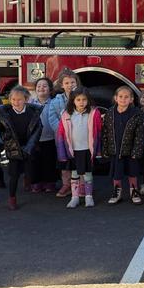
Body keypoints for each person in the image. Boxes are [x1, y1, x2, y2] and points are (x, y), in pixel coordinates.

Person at [0, 86, 43, 211]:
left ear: (26, 99)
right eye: (13, 99)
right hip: (13, 147)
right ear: (9, 100)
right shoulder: (4, 113)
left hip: (28, 147)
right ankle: (12, 198)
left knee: (30, 171)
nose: (16, 102)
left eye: (19, 99)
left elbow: (38, 129)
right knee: (13, 175)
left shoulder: (33, 112)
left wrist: (29, 146)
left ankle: (26, 178)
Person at [56, 88, 102, 209]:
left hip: (88, 150)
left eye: (84, 100)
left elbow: (99, 132)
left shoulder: (93, 113)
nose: (81, 102)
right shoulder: (66, 114)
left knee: (88, 174)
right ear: (73, 101)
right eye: (78, 100)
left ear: (88, 100)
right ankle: (75, 197)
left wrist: (99, 150)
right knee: (74, 173)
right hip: (73, 150)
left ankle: (88, 197)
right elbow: (61, 134)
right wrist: (62, 153)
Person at [102, 86, 144, 205]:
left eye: (126, 97)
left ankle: (134, 191)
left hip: (131, 150)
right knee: (117, 173)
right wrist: (105, 148)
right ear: (115, 98)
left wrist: (136, 151)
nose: (123, 99)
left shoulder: (136, 114)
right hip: (115, 150)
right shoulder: (110, 113)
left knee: (133, 172)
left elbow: (139, 135)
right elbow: (105, 132)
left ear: (131, 99)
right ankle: (117, 192)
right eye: (120, 96)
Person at [44, 69, 80, 198]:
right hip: (62, 137)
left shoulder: (82, 99)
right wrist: (61, 131)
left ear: (76, 83)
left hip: (78, 136)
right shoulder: (55, 101)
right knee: (64, 161)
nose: (70, 85)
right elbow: (52, 117)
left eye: (72, 82)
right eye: (67, 83)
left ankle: (80, 185)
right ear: (61, 85)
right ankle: (66, 185)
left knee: (78, 160)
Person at [29, 77, 57, 193]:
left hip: (50, 137)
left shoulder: (54, 103)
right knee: (35, 162)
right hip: (35, 138)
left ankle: (49, 183)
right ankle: (36, 182)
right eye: (39, 86)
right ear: (35, 89)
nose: (41, 88)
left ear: (50, 90)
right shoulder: (30, 103)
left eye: (45, 86)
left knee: (49, 161)